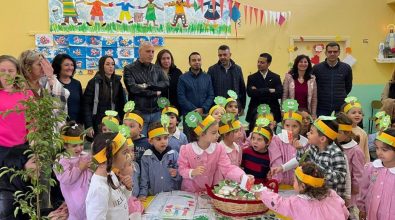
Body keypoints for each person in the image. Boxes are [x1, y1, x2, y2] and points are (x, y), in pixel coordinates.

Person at [272, 116, 348, 200]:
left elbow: (340, 177)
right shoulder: (313, 147)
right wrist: (299, 149)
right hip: (314, 195)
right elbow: (301, 161)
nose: (307, 133)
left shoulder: (335, 153)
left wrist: (318, 171)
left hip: (330, 198)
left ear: (322, 139)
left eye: (311, 132)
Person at [177, 113, 253, 192]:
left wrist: (241, 176)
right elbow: (182, 169)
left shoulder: (219, 149)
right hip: (190, 190)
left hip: (208, 190)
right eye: (214, 133)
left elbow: (227, 168)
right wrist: (192, 172)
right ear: (201, 134)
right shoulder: (186, 150)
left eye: (217, 132)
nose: (218, 135)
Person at [0, 55, 35, 219]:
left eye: (10, 70)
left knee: (25, 200)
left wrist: (33, 152)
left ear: (17, 73)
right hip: (1, 153)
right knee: (5, 204)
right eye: (2, 70)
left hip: (22, 153)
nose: (6, 74)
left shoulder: (26, 94)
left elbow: (35, 124)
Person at [256, 162, 349, 220]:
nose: (293, 184)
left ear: (303, 186)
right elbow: (345, 213)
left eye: (295, 181)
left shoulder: (297, 203)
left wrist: (263, 192)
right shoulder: (331, 194)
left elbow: (278, 203)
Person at [124, 41, 169, 136]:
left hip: (156, 112)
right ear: (140, 52)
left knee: (156, 141)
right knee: (140, 143)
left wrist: (148, 85)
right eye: (148, 51)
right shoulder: (129, 69)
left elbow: (166, 83)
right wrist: (154, 92)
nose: (151, 54)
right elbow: (133, 89)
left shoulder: (157, 68)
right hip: (139, 113)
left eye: (153, 52)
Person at [85, 132, 133, 219]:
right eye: (124, 152)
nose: (127, 156)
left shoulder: (110, 174)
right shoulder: (99, 189)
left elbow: (119, 202)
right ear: (110, 156)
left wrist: (127, 189)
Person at [55, 121, 93, 220]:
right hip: (75, 203)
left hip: (89, 199)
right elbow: (66, 179)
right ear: (65, 146)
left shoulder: (85, 155)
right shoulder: (61, 160)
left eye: (81, 144)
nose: (79, 148)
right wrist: (80, 168)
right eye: (74, 146)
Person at [357, 128, 395, 220]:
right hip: (371, 213)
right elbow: (364, 188)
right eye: (377, 148)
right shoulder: (372, 167)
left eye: (384, 150)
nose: (379, 152)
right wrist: (362, 208)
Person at [83, 55, 125, 137]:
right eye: (107, 64)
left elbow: (121, 103)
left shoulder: (117, 82)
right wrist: (89, 125)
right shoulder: (94, 82)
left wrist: (122, 122)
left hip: (113, 120)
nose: (111, 67)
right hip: (97, 121)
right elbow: (86, 105)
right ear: (102, 66)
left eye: (113, 64)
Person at [269, 99, 308, 186]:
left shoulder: (305, 142)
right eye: (287, 126)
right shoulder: (277, 140)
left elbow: (305, 165)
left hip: (299, 185)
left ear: (300, 127)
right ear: (283, 126)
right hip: (281, 184)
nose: (290, 129)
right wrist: (276, 181)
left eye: (294, 126)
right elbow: (276, 162)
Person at [139, 121, 181, 198]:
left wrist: (176, 174)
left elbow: (181, 173)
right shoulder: (146, 157)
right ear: (151, 141)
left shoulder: (174, 154)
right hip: (154, 196)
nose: (163, 142)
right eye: (158, 139)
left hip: (172, 195)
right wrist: (142, 194)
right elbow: (144, 179)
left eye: (165, 138)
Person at [177, 52, 214, 140]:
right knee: (190, 140)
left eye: (199, 60)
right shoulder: (183, 78)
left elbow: (211, 95)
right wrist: (194, 110)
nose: (197, 62)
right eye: (194, 60)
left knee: (205, 139)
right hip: (190, 115)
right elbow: (181, 97)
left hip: (204, 114)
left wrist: (203, 108)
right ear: (189, 63)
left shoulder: (207, 77)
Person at [336, 113, 364, 219]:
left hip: (348, 194)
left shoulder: (355, 150)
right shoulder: (334, 145)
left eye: (337, 132)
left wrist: (353, 191)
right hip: (335, 190)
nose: (334, 134)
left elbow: (359, 173)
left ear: (347, 133)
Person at [313, 42, 352, 116]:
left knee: (339, 127)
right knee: (321, 127)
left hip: (340, 108)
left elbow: (348, 87)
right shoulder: (317, 68)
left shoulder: (346, 68)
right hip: (322, 108)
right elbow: (314, 87)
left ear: (339, 52)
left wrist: (339, 96)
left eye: (335, 52)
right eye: (330, 52)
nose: (332, 54)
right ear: (325, 53)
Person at [246, 53, 282, 132]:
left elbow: (279, 93)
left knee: (271, 134)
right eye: (258, 62)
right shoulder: (252, 77)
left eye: (262, 62)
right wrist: (268, 90)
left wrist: (258, 91)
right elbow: (250, 93)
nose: (259, 64)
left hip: (272, 111)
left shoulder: (276, 77)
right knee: (254, 133)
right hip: (255, 111)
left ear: (268, 64)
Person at [207, 45, 246, 114]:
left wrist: (242, 107)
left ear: (230, 55)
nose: (222, 57)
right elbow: (208, 90)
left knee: (233, 125)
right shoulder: (212, 70)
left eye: (225, 55)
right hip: (217, 109)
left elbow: (242, 89)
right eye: (220, 55)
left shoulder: (237, 69)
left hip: (233, 109)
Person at [52, 53, 83, 124]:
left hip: (75, 125)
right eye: (66, 65)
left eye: (72, 65)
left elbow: (81, 105)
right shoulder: (53, 84)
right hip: (58, 124)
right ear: (58, 67)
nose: (70, 68)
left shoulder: (77, 83)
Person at [242, 118, 273, 185]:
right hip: (245, 186)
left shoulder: (269, 157)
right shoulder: (246, 152)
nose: (255, 142)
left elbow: (268, 176)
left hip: (260, 188)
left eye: (259, 139)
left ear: (267, 142)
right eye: (253, 138)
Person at [342, 96, 370, 163]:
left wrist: (367, 165)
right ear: (345, 115)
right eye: (353, 113)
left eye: (360, 113)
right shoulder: (342, 131)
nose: (357, 115)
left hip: (359, 164)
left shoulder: (363, 133)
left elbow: (366, 151)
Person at [122, 101, 151, 165]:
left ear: (140, 128)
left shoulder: (147, 143)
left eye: (131, 126)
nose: (127, 129)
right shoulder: (120, 141)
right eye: (124, 125)